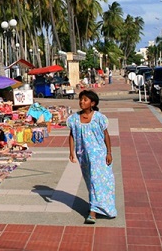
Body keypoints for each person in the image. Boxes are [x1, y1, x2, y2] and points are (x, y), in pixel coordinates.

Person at [67, 90, 117, 224]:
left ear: (92, 103)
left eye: (85, 100)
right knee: (90, 182)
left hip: (99, 155)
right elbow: (72, 135)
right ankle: (97, 207)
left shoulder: (99, 118)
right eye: (80, 99)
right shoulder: (74, 119)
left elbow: (106, 135)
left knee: (100, 181)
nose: (81, 102)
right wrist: (71, 152)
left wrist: (109, 152)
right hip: (83, 156)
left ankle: (93, 212)